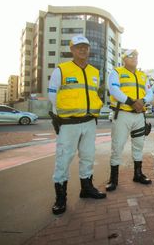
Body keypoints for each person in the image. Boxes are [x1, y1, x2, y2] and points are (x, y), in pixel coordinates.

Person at [48, 35, 106, 215]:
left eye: (86, 47)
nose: (83, 50)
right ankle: (60, 198)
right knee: (63, 159)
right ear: (72, 49)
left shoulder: (95, 72)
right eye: (79, 47)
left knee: (88, 156)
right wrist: (58, 117)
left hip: (89, 122)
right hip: (69, 123)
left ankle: (86, 189)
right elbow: (52, 95)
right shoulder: (62, 69)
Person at [105, 49, 153, 191]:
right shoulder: (116, 72)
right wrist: (132, 102)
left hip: (139, 115)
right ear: (124, 59)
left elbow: (150, 93)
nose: (134, 58)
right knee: (117, 146)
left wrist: (143, 101)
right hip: (123, 114)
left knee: (138, 145)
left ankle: (138, 174)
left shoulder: (143, 75)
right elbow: (114, 90)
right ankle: (113, 179)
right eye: (131, 56)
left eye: (136, 56)